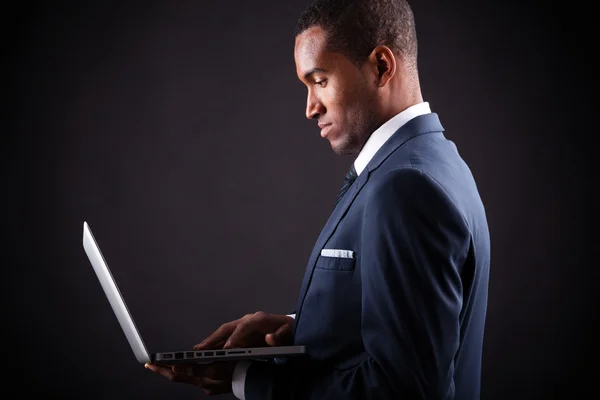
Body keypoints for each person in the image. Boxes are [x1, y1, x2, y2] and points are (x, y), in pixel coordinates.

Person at [146, 0, 491, 398]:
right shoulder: (437, 162)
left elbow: (403, 389)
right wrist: (304, 326)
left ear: (381, 65)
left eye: (320, 80)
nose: (310, 108)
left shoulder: (406, 185)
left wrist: (247, 379)